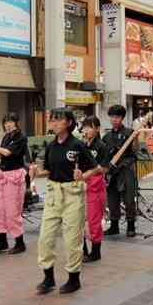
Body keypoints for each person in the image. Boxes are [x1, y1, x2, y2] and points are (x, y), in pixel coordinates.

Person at [32, 108, 97, 295]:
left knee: (72, 238)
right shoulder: (51, 146)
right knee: (45, 237)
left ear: (69, 123)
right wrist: (37, 172)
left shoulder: (77, 145)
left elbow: (95, 168)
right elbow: (50, 171)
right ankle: (48, 277)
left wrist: (82, 175)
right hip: (53, 193)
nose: (53, 123)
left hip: (72, 193)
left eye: (57, 120)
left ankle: (73, 278)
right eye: (51, 120)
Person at [0, 113, 29, 255]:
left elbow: (8, 152)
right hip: (3, 175)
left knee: (12, 211)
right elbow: (0, 155)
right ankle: (2, 241)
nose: (7, 124)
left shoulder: (21, 137)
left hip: (14, 176)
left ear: (16, 123)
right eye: (6, 122)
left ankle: (19, 243)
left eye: (10, 122)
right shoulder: (6, 137)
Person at [102, 105, 140, 237]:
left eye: (117, 117)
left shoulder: (130, 133)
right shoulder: (106, 136)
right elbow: (104, 155)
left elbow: (135, 151)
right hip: (112, 171)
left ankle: (130, 226)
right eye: (112, 117)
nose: (114, 119)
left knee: (129, 198)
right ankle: (114, 226)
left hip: (126, 169)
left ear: (122, 118)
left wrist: (136, 138)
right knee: (112, 199)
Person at [81, 116, 110, 263]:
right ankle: (83, 249)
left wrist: (90, 172)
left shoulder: (101, 146)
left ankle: (96, 251)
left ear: (97, 129)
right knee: (79, 219)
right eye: (84, 127)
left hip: (95, 185)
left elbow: (104, 168)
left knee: (94, 219)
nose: (86, 130)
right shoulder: (81, 145)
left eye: (90, 127)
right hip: (81, 185)